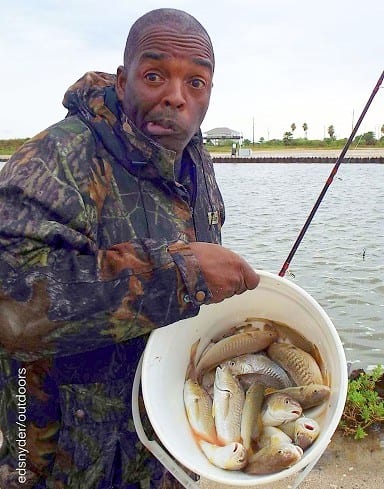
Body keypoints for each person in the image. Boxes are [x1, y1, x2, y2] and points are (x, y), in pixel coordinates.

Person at [0, 8, 260, 489]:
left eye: (196, 83)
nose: (176, 97)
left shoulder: (194, 157)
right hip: (57, 457)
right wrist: (179, 274)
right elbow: (10, 311)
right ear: (123, 82)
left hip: (167, 444)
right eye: (155, 75)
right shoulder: (56, 158)